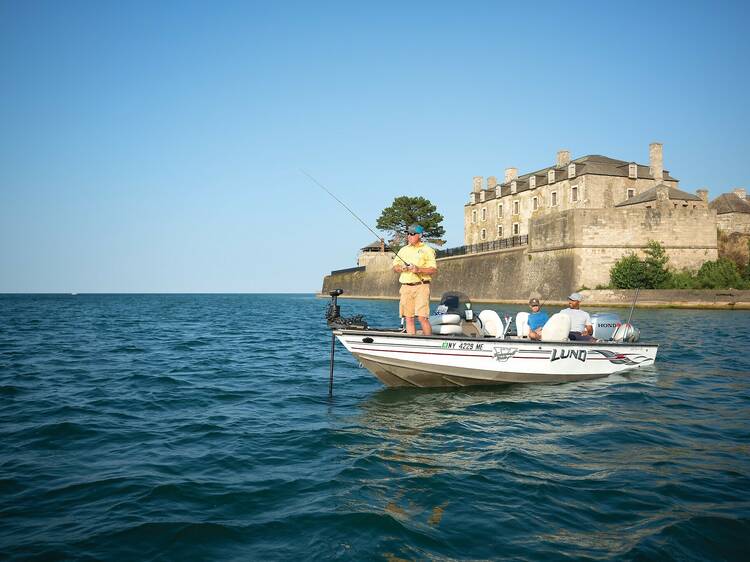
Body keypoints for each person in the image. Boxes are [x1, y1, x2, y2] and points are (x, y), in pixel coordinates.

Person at [393, 224, 437, 335]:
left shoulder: (427, 250)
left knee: (422, 317)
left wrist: (418, 269)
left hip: (421, 286)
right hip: (405, 287)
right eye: (408, 234)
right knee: (409, 318)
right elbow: (395, 267)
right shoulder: (403, 250)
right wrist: (402, 268)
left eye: (412, 234)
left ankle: (429, 343)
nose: (409, 236)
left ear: (420, 235)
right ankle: (411, 341)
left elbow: (433, 269)